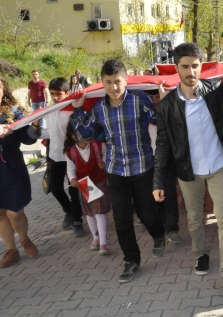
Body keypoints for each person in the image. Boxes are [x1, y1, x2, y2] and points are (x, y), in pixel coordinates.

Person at [153, 43, 223, 290]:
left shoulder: (215, 89)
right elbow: (162, 146)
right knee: (194, 218)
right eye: (185, 67)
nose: (190, 72)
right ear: (176, 69)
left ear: (201, 65)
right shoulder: (167, 106)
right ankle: (200, 254)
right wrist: (158, 182)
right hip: (188, 172)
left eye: (195, 66)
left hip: (219, 166)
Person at [70, 60, 166, 284]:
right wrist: (77, 108)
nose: (113, 87)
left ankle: (158, 234)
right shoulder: (98, 109)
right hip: (115, 170)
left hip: (142, 167)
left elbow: (159, 119)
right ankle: (131, 260)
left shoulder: (139, 99)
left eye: (118, 82)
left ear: (126, 80)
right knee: (122, 219)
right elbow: (84, 132)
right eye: (108, 82)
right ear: (102, 83)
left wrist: (163, 102)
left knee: (146, 213)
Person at [0, 78, 41, 268]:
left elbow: (28, 139)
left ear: (3, 90)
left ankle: (24, 239)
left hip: (12, 168)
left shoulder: (15, 112)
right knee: (0, 213)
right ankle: (12, 250)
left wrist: (34, 125)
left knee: (15, 212)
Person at [41, 78, 84, 237]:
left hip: (72, 157)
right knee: (56, 189)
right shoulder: (49, 111)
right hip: (55, 157)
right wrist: (47, 158)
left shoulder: (73, 111)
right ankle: (69, 211)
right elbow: (50, 135)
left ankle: (78, 221)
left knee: (74, 190)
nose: (55, 97)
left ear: (67, 93)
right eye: (52, 94)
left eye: (59, 94)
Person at [63, 123, 112, 256]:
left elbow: (107, 155)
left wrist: (104, 162)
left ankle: (103, 242)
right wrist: (72, 179)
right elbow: (70, 168)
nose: (88, 136)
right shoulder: (70, 152)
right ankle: (96, 238)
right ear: (74, 137)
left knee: (98, 211)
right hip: (84, 184)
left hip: (99, 181)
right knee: (90, 213)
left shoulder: (99, 145)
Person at [144, 89, 181, 246]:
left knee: (169, 193)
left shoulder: (170, 108)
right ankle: (160, 227)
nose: (154, 100)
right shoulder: (142, 111)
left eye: (157, 96)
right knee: (153, 194)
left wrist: (165, 103)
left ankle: (172, 229)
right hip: (147, 158)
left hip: (167, 156)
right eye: (151, 97)